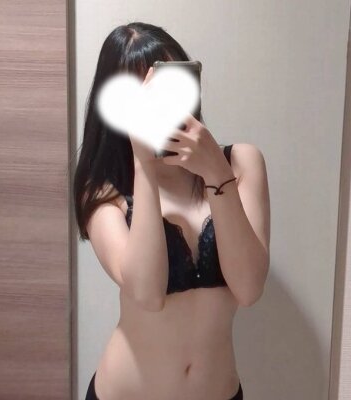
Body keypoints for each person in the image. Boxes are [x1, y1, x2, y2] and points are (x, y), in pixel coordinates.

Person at [73, 21, 270, 400]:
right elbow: (147, 294)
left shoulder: (242, 162)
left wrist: (216, 172)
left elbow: (248, 289)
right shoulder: (102, 191)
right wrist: (144, 165)